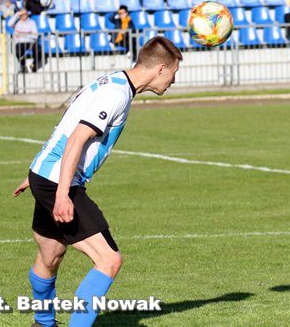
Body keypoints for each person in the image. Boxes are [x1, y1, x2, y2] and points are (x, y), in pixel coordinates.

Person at [12, 37, 182, 327]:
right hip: (58, 183)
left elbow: (65, 125)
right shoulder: (115, 95)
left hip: (48, 176)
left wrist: (38, 173)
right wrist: (62, 193)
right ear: (161, 69)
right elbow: (77, 138)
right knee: (109, 260)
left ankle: (42, 323)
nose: (174, 81)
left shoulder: (112, 82)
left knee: (50, 253)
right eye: (175, 73)